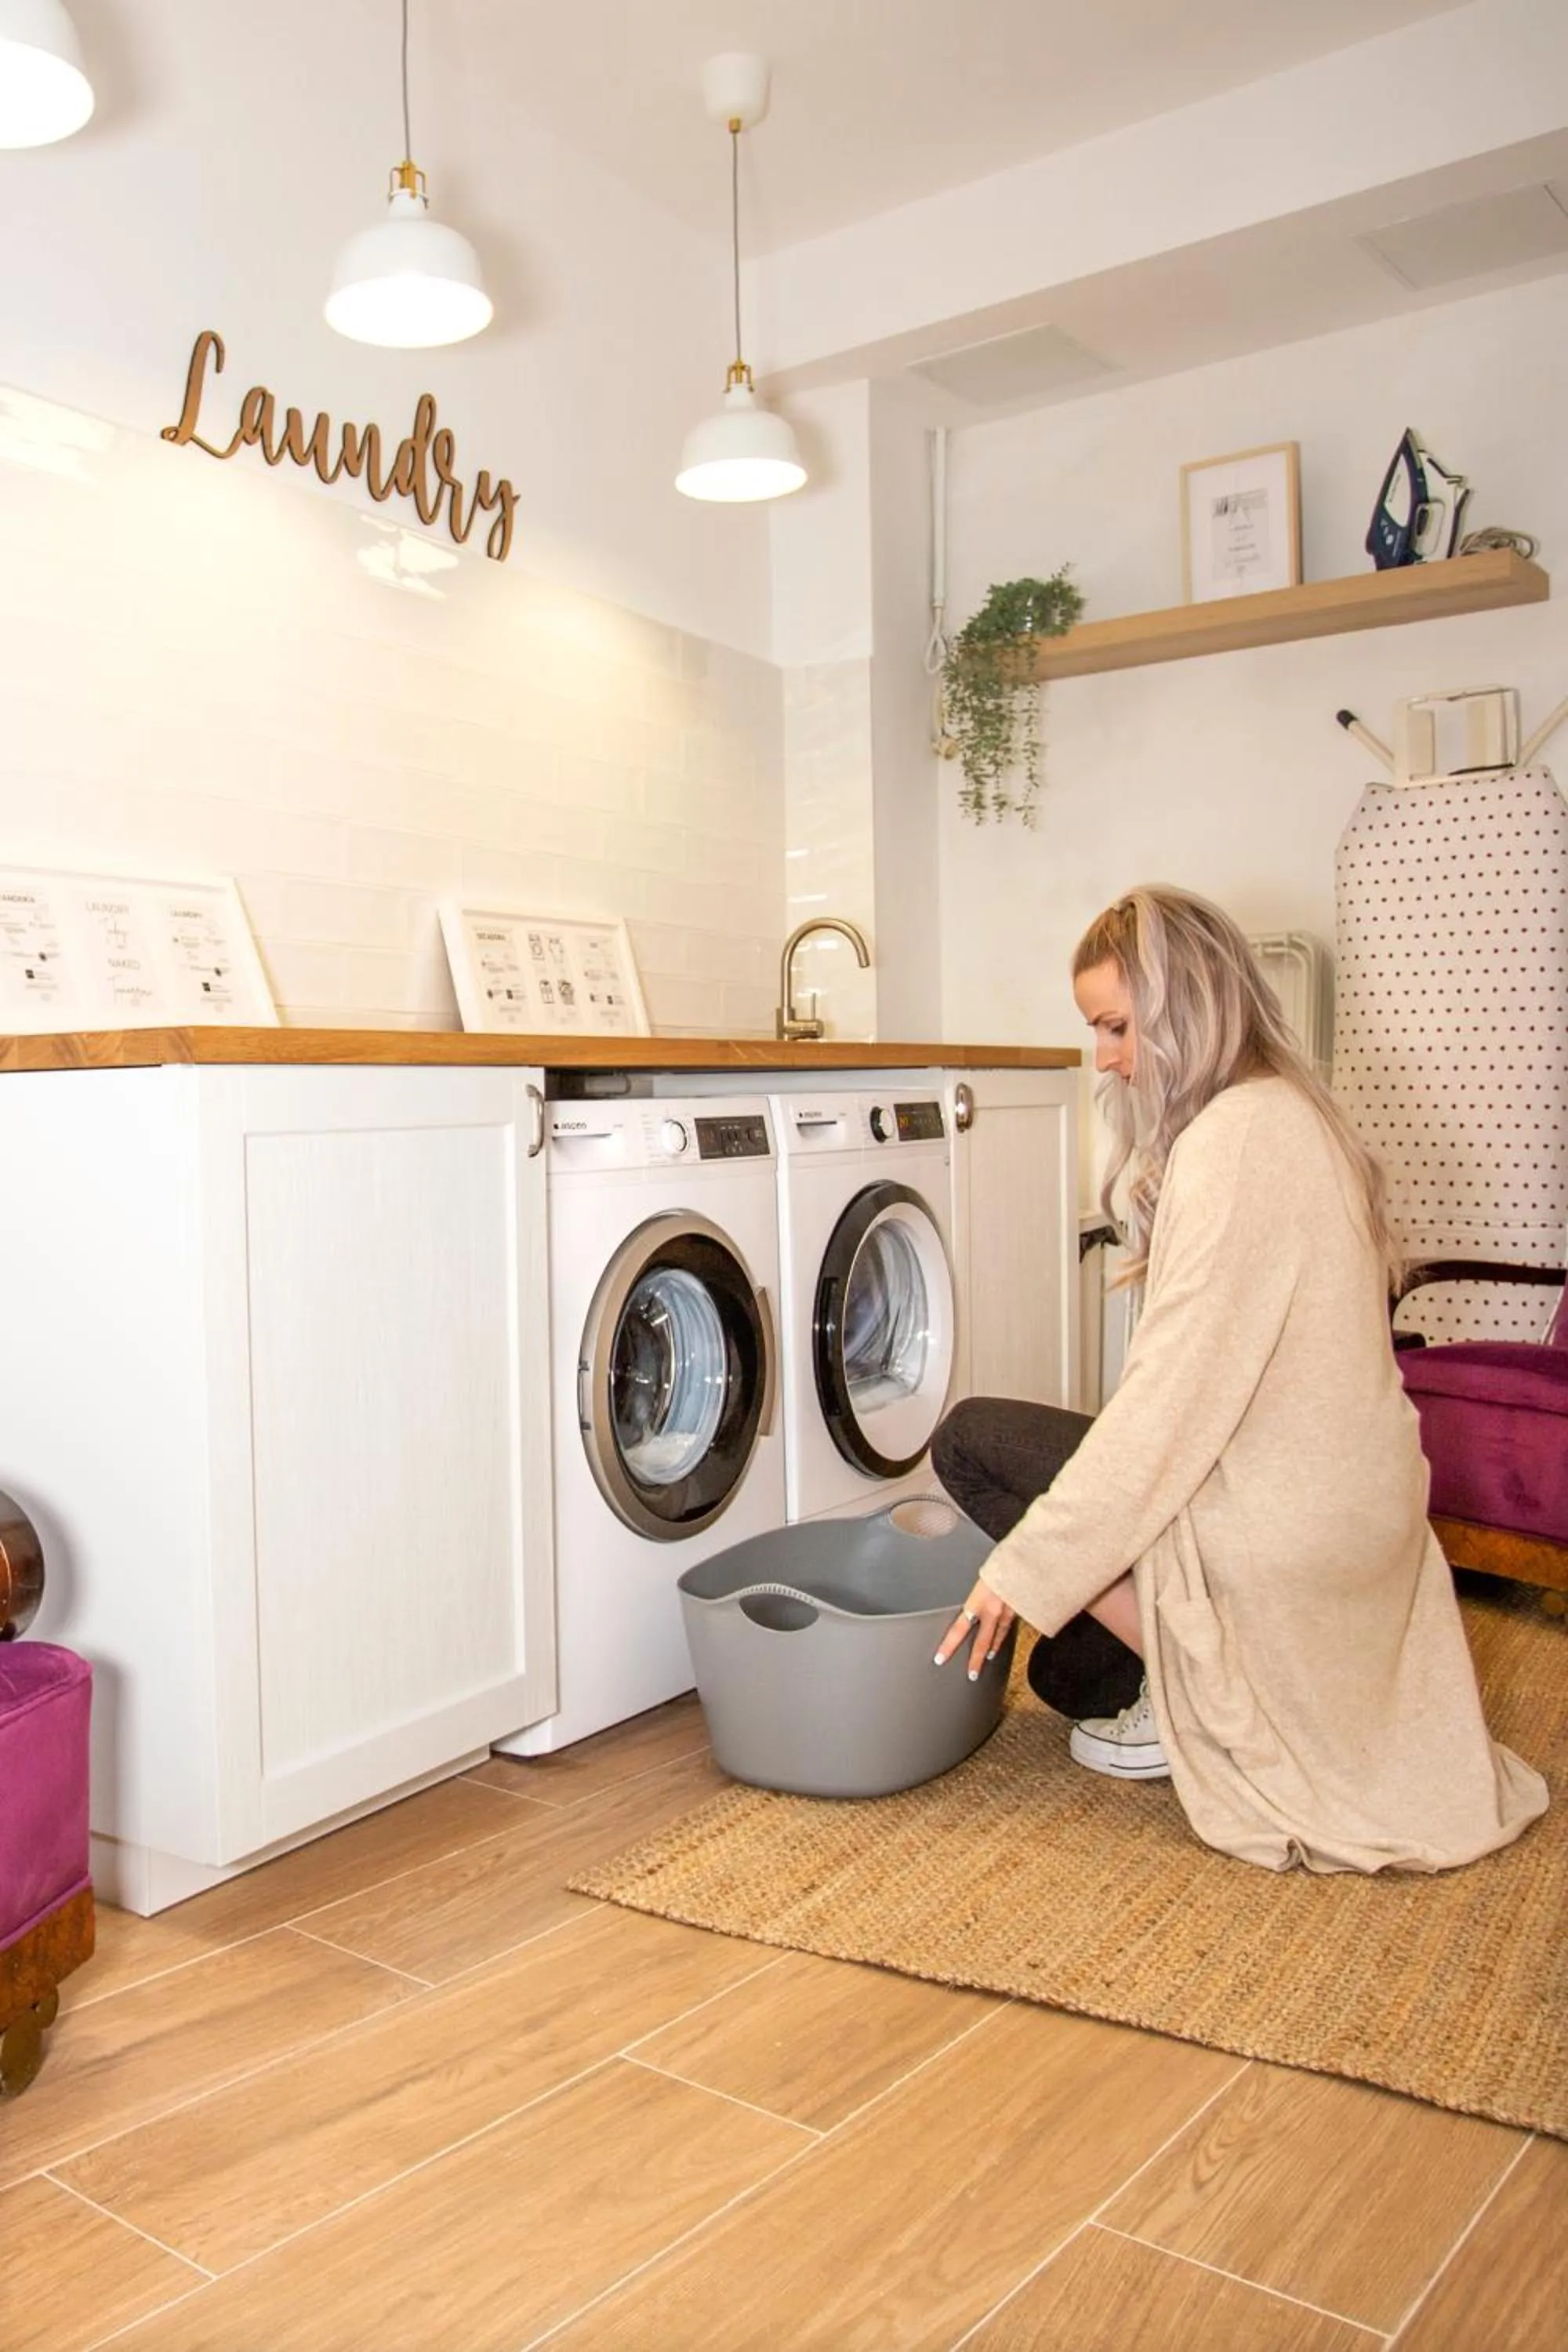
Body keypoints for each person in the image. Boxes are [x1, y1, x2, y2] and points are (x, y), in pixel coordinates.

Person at [931, 885, 1548, 1874]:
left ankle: (1199, 1703)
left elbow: (1168, 1407)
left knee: (971, 1442)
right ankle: (1169, 1679)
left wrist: (1019, 1571)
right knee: (1065, 1671)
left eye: (1116, 1026)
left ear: (1184, 1008)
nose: (1104, 1056)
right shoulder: (1298, 1115)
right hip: (1364, 1516)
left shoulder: (1233, 1141)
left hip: (1282, 1530)